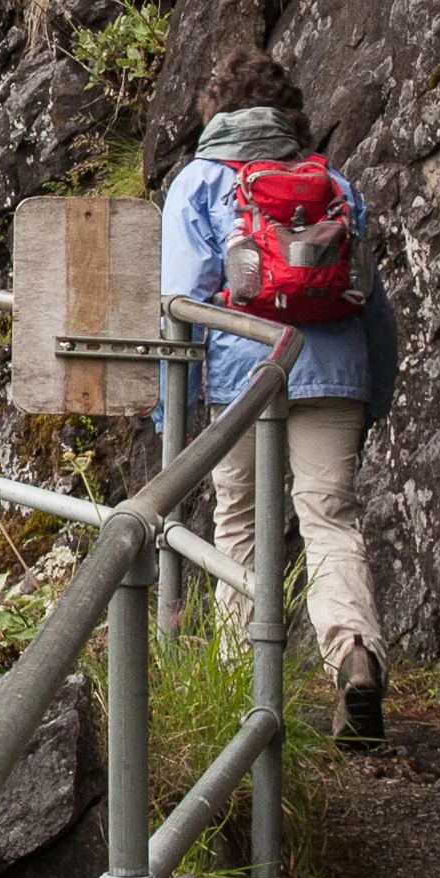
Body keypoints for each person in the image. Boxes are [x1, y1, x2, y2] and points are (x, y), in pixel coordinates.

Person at [162, 47, 396, 746]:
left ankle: (243, 695)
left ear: (216, 110)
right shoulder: (333, 184)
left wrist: (171, 413)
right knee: (330, 519)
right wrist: (373, 392)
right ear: (289, 113)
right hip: (334, 372)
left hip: (245, 378)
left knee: (239, 523)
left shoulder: (198, 183)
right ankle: (354, 654)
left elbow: (180, 306)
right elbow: (372, 303)